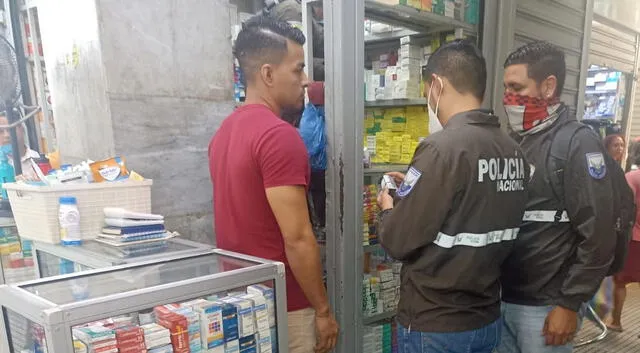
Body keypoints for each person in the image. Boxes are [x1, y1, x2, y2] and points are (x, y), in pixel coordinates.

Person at [376, 40, 529, 353]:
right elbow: (473, 206)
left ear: (436, 85)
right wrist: (421, 188)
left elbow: (397, 240)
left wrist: (388, 208)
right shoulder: (513, 151)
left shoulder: (440, 149)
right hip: (485, 319)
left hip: (436, 324)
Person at [208, 17, 338, 353]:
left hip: (239, 303)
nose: (306, 81)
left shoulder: (224, 133)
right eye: (297, 70)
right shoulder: (279, 136)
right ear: (268, 74)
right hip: (285, 307)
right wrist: (323, 311)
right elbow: (297, 238)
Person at [498, 41, 617, 353]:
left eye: (516, 87)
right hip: (503, 298)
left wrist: (568, 303)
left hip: (545, 307)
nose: (508, 97)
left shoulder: (578, 144)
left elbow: (599, 233)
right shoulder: (517, 141)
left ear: (548, 86)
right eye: (506, 87)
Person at [607, 142, 640, 332]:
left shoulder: (632, 177)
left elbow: (624, 208)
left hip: (634, 239)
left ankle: (616, 322)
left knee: (620, 282)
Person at [0, 114, 40, 178]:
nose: (6, 135)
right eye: (0, 131)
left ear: (22, 129)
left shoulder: (37, 158)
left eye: (11, 129)